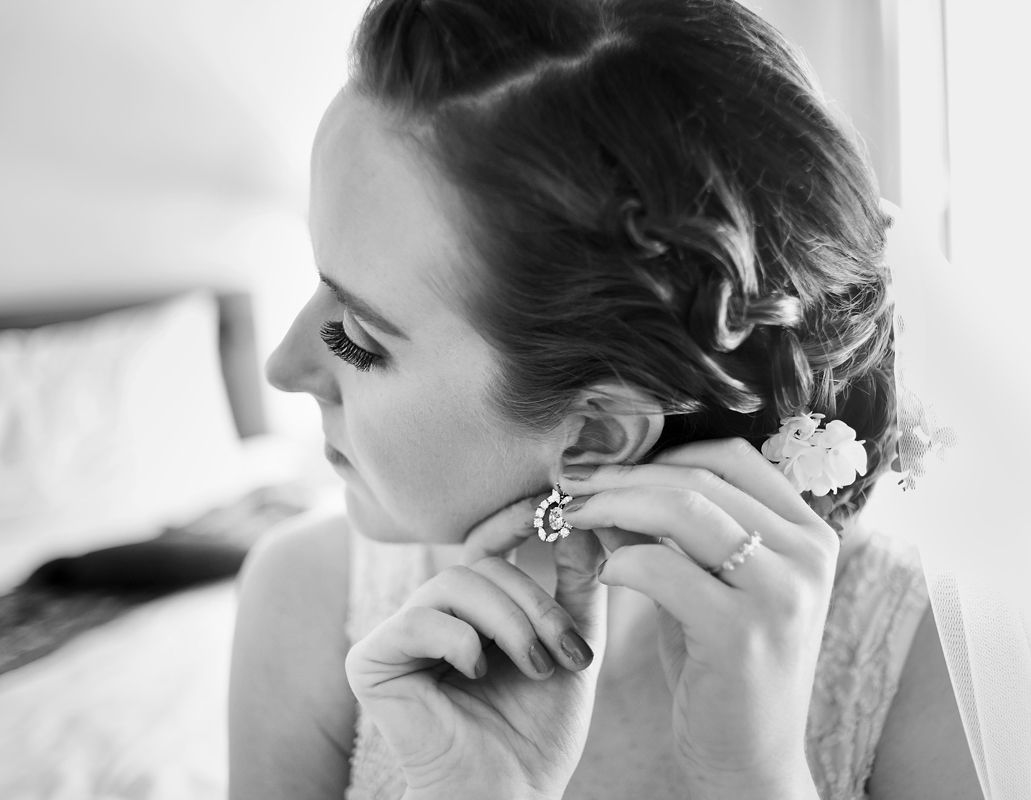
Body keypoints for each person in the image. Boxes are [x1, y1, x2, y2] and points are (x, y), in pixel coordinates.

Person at [228, 0, 992, 797]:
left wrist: (753, 778)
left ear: (595, 437)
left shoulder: (925, 660)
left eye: (357, 337)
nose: (283, 366)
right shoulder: (305, 603)